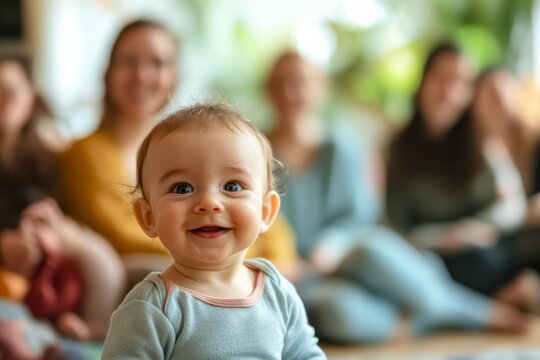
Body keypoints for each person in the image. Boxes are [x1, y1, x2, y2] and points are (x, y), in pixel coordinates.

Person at [264, 50, 532, 344]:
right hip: (299, 278)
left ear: (320, 88)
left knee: (373, 249)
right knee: (331, 309)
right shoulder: (256, 156)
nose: (289, 92)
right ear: (268, 90)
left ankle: (473, 313)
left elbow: (362, 218)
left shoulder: (341, 147)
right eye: (280, 83)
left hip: (349, 257)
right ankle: (435, 320)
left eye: (299, 82)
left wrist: (332, 246)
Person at [102, 103, 325, 358]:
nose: (209, 202)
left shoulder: (276, 291)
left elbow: (306, 354)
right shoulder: (153, 307)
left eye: (232, 186)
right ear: (148, 217)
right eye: (182, 188)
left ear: (265, 211)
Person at [386, 45, 540, 306]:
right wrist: (445, 236)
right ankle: (489, 304)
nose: (450, 92)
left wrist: (480, 228)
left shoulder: (480, 141)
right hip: (424, 255)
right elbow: (392, 228)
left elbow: (512, 206)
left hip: (480, 252)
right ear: (423, 81)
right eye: (442, 79)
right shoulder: (397, 146)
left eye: (461, 83)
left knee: (494, 257)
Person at [0, 56, 125, 356]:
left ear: (30, 97)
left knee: (98, 256)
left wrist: (55, 238)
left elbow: (74, 224)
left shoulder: (54, 158)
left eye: (9, 93)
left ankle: (89, 327)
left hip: (55, 263)